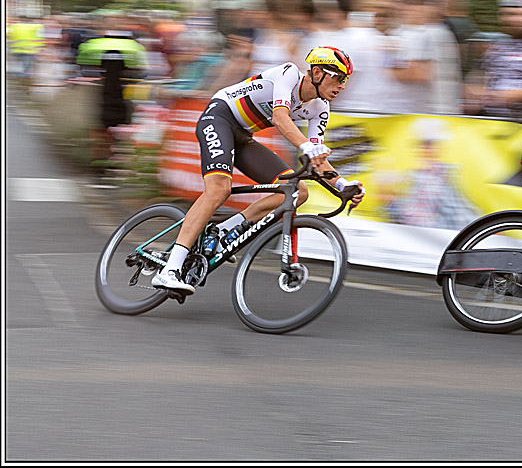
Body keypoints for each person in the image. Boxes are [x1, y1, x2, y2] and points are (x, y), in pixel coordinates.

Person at [151, 46, 366, 293]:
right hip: (219, 118)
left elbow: (318, 158)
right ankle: (169, 270)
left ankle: (224, 232)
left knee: (298, 191)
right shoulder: (288, 74)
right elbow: (280, 118)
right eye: (338, 78)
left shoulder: (321, 108)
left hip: (243, 136)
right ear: (317, 73)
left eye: (345, 80)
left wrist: (342, 185)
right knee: (219, 189)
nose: (342, 86)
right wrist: (306, 146)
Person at [76, 15, 148, 181]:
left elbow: (140, 71)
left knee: (114, 133)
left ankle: (111, 167)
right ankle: (103, 168)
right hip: (107, 96)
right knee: (104, 133)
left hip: (117, 95)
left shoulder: (99, 45)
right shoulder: (123, 45)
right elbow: (140, 71)